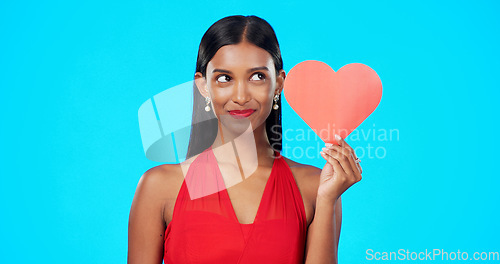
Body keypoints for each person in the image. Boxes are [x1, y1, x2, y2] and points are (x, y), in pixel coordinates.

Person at [128, 15, 362, 264]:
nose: (240, 96)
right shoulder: (159, 186)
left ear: (279, 84)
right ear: (203, 86)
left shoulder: (317, 187)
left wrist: (327, 200)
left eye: (257, 77)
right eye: (224, 78)